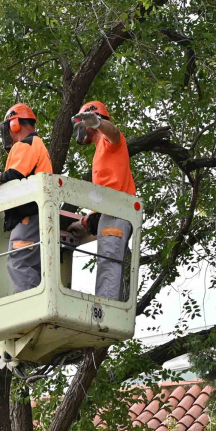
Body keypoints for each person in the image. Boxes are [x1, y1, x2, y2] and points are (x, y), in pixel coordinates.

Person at [0, 103, 53, 293]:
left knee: (19, 263)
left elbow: (14, 175)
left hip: (28, 217)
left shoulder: (26, 144)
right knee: (31, 265)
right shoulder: (36, 144)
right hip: (37, 216)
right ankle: (35, 304)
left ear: (15, 124)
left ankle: (28, 308)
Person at [71, 100, 136, 302]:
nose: (79, 131)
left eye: (81, 125)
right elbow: (106, 195)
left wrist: (98, 122)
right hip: (110, 214)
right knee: (106, 263)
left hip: (117, 215)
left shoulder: (110, 142)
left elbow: (114, 133)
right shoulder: (100, 150)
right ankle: (106, 310)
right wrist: (84, 222)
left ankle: (106, 315)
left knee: (109, 265)